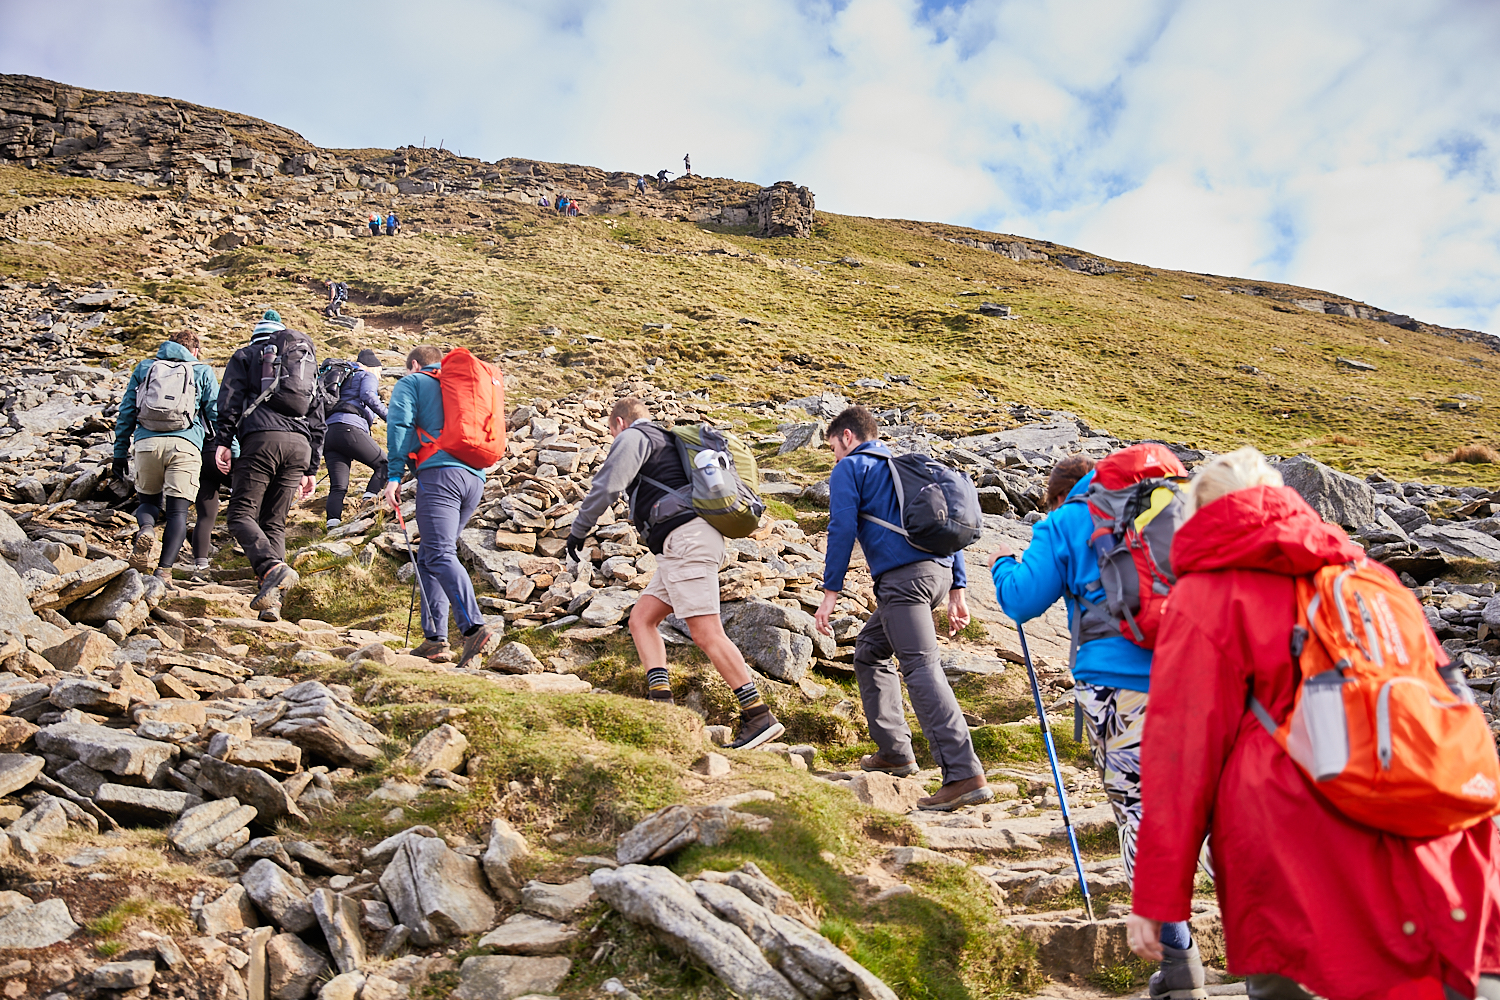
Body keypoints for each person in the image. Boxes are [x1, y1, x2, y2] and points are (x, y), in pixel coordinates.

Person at [1128, 448, 1500, 1000]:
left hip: (1295, 843)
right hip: (1432, 823)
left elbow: (1181, 758)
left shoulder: (1207, 596)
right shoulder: (1373, 579)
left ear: (1201, 516)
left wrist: (1159, 900)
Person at [987, 447, 1203, 995]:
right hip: (1205, 679)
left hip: (1121, 689)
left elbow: (1019, 602)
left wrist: (1002, 565)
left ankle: (1180, 966)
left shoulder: (1065, 521)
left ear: (1062, 494)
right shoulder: (1177, 506)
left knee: (1139, 811)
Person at [566, 398, 785, 749]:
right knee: (641, 619)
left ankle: (758, 715)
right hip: (682, 545)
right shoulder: (668, 442)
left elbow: (608, 484)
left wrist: (579, 530)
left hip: (686, 542)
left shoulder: (635, 436)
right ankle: (661, 705)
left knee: (706, 632)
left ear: (620, 423)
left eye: (610, 432)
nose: (611, 438)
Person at [814, 406, 991, 811]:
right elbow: (946, 526)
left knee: (921, 668)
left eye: (832, 448)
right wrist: (957, 589)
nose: (834, 458)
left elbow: (840, 526)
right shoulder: (906, 468)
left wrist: (830, 592)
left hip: (904, 583)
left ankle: (963, 773)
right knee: (870, 649)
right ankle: (894, 752)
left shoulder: (851, 469)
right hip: (937, 574)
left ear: (846, 436)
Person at [382, 345, 501, 667]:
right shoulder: (464, 386)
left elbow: (399, 426)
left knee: (438, 553)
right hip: (475, 479)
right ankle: (435, 639)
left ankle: (474, 628)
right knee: (431, 555)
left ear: (415, 363)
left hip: (440, 475)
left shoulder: (413, 382)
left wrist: (394, 475)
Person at [215, 310, 326, 622]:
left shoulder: (246, 356)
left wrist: (224, 440)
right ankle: (273, 602)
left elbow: (230, 400)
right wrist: (312, 469)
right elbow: (319, 420)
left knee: (240, 515)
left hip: (262, 441)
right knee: (274, 523)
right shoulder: (306, 365)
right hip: (300, 448)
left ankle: (273, 569)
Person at [112, 328, 220, 588]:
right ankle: (164, 571)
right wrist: (232, 449)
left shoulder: (146, 368)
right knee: (177, 513)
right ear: (194, 350)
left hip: (147, 443)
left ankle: (146, 529)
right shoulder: (201, 370)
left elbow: (127, 410)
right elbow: (217, 414)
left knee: (148, 502)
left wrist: (119, 453)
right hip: (185, 446)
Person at [322, 349, 389, 528]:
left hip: (329, 433)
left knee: (338, 486)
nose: (380, 377)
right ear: (373, 367)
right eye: (380, 372)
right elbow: (368, 396)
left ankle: (332, 526)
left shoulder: (340, 377)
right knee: (384, 464)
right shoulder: (366, 375)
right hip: (349, 428)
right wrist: (390, 418)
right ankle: (368, 505)